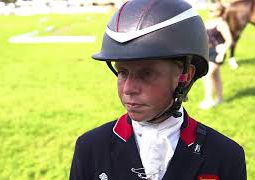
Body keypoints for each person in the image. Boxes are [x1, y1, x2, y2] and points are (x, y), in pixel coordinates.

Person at [70, 0, 246, 179]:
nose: (128, 89)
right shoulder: (90, 149)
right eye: (122, 72)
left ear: (185, 75)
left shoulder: (226, 157)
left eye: (146, 73)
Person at [199, 3, 233, 109]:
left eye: (212, 10)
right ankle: (220, 99)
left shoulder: (222, 24)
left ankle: (209, 99)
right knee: (216, 76)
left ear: (219, 12)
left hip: (218, 53)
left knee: (207, 75)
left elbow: (229, 40)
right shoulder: (207, 22)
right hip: (208, 52)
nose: (210, 12)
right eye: (209, 10)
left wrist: (222, 52)